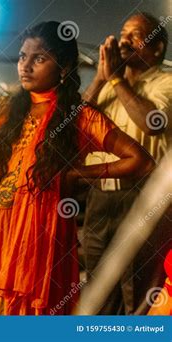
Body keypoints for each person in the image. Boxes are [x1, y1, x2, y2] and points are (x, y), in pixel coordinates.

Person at [0, 16, 155, 315]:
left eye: (39, 58)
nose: (25, 66)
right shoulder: (3, 108)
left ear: (63, 67)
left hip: (35, 243)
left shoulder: (80, 117)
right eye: (23, 56)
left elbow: (141, 160)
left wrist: (79, 174)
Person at [82, 12, 172, 314]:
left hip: (144, 199)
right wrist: (100, 77)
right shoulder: (108, 85)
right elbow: (75, 123)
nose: (124, 40)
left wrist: (118, 79)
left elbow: (153, 122)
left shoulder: (166, 82)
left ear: (157, 48)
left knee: (138, 295)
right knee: (99, 292)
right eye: (122, 33)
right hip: (100, 199)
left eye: (135, 35)